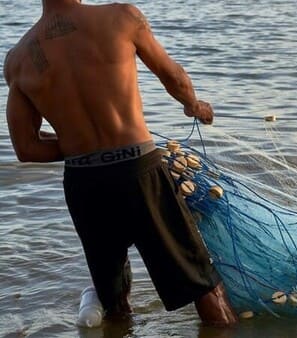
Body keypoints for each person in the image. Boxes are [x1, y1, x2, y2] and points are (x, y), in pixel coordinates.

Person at [3, 0, 238, 327]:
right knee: (202, 284)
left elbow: (26, 147)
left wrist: (80, 144)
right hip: (140, 171)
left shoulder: (18, 59)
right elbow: (176, 79)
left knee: (113, 300)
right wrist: (195, 106)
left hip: (85, 185)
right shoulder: (122, 17)